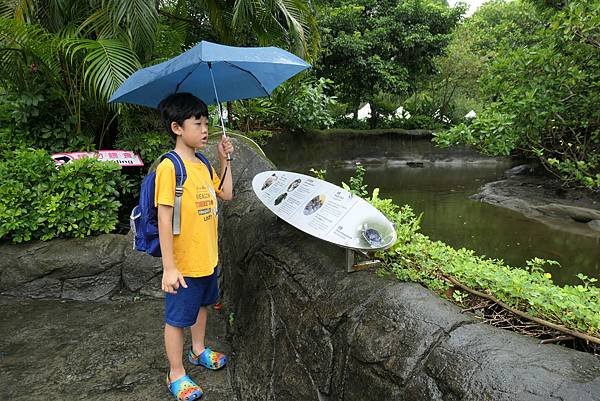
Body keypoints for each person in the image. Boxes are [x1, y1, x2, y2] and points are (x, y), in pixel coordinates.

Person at [155, 92, 234, 400]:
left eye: (206, 122)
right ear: (177, 127)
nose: (205, 129)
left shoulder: (201, 163)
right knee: (176, 319)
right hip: (183, 264)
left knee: (202, 306)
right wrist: (169, 267)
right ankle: (175, 372)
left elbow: (226, 193)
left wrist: (224, 158)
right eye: (197, 123)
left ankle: (198, 350)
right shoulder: (170, 167)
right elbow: (164, 218)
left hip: (206, 258)